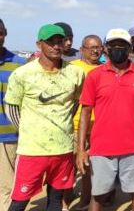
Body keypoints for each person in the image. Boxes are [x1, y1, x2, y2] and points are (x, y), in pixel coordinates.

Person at [5, 24, 84, 211]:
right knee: (19, 201)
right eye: (50, 42)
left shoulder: (75, 73)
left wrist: (61, 126)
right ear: (39, 44)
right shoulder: (22, 74)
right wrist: (28, 130)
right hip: (32, 151)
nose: (56, 46)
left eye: (60, 41)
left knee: (56, 200)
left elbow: (75, 103)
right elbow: (12, 108)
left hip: (62, 148)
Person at [76, 28, 134, 211]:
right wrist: (81, 149)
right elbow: (85, 113)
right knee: (98, 197)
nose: (117, 48)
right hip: (101, 148)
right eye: (113, 45)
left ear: (129, 49)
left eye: (122, 45)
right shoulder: (94, 76)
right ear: (106, 48)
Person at [66, 35, 104, 210]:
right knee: (69, 167)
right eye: (91, 48)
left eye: (98, 47)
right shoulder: (71, 68)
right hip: (73, 126)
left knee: (89, 169)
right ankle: (64, 202)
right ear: (82, 50)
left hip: (98, 127)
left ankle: (85, 202)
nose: (95, 51)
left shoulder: (105, 69)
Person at [0, 19, 27, 211]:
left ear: (5, 33)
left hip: (8, 136)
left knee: (6, 188)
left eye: (0, 32)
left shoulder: (20, 65)